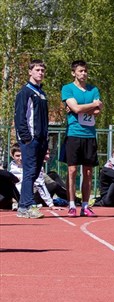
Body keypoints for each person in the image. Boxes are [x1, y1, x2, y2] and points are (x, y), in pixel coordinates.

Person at [61, 60, 103, 217]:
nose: (83, 74)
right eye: (80, 71)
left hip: (89, 135)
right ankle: (71, 204)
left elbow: (98, 111)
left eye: (85, 71)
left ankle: (85, 205)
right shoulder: (67, 88)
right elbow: (76, 107)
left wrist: (79, 108)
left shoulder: (93, 89)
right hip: (73, 133)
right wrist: (91, 106)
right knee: (72, 170)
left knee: (88, 172)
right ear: (74, 73)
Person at [13, 59, 49, 219]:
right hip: (30, 140)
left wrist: (45, 138)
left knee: (35, 172)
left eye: (42, 70)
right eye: (37, 70)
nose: (40, 72)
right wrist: (26, 138)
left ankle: (23, 204)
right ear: (30, 72)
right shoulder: (25, 92)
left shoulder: (42, 93)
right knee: (29, 172)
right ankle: (26, 205)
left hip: (42, 139)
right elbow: (20, 117)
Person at [9, 145, 62, 211]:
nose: (21, 158)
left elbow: (40, 185)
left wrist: (51, 204)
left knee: (53, 184)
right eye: (17, 156)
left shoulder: (34, 168)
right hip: (15, 196)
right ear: (12, 156)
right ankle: (16, 202)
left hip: (31, 195)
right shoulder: (12, 167)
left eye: (23, 155)